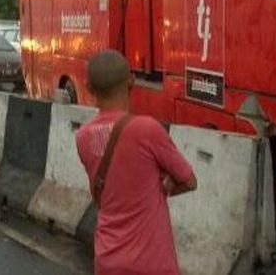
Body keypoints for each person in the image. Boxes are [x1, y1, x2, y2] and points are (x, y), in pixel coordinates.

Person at [76, 50, 197, 275]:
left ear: (89, 88)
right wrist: (166, 186)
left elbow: (107, 189)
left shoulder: (82, 137)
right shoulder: (147, 129)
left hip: (107, 263)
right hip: (152, 264)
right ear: (131, 81)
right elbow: (189, 181)